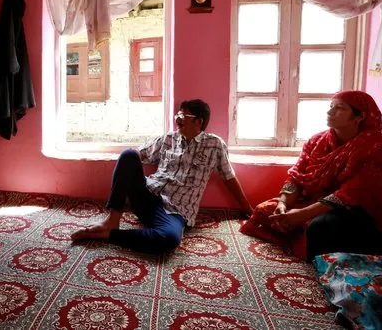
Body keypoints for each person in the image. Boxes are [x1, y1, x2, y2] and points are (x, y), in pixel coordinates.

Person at [240, 90, 382, 260]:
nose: (330, 111)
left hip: (354, 211)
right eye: (331, 106)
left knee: (318, 227)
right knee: (265, 211)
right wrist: (283, 204)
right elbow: (297, 176)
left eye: (340, 108)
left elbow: (349, 194)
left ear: (359, 117)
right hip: (314, 201)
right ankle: (298, 227)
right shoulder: (317, 141)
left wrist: (301, 215)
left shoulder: (375, 148)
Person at [71, 99, 253, 254]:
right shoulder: (168, 139)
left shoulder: (214, 145)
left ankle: (109, 235)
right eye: (177, 115)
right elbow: (138, 155)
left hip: (175, 210)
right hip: (148, 195)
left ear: (199, 121)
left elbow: (229, 176)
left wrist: (247, 208)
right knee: (128, 155)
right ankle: (112, 221)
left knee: (169, 239)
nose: (178, 120)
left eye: (184, 116)